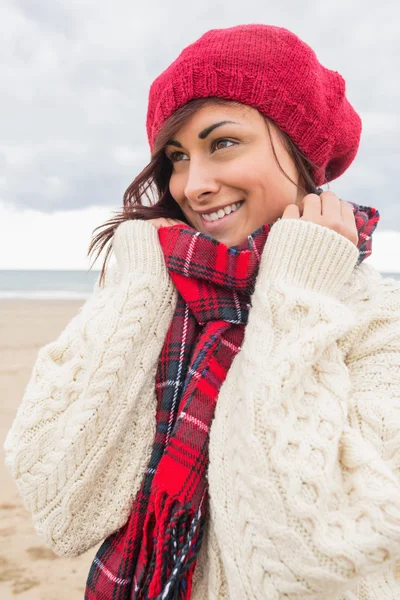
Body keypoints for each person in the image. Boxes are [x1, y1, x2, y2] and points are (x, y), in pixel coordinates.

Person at [4, 23, 400, 600]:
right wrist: (140, 285)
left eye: (222, 143)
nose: (193, 184)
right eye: (177, 157)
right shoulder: (157, 296)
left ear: (299, 147)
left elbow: (304, 556)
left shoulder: (373, 319)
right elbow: (60, 506)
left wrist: (296, 295)